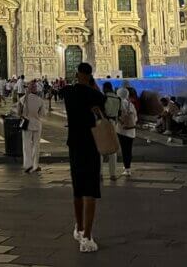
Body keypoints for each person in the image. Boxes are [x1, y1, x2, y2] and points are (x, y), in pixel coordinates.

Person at [60, 62, 106, 253]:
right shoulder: (95, 95)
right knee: (90, 191)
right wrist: (92, 85)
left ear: (77, 74)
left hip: (74, 144)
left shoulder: (68, 93)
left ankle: (79, 228)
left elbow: (69, 89)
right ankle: (87, 237)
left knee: (77, 189)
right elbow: (104, 106)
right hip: (91, 144)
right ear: (90, 76)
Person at [17, 80, 47, 173]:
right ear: (35, 89)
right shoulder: (40, 100)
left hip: (26, 124)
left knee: (26, 145)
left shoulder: (23, 99)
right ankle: (35, 165)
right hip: (37, 125)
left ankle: (27, 165)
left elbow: (18, 112)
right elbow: (42, 114)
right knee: (36, 145)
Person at [115, 87, 138, 177]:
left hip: (121, 130)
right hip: (131, 131)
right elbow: (135, 118)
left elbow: (116, 116)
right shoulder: (130, 104)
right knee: (128, 149)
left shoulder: (118, 103)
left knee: (124, 150)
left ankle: (127, 168)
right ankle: (128, 167)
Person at [101, 82, 122, 180]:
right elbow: (119, 113)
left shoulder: (103, 98)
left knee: (100, 149)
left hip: (103, 123)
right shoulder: (118, 99)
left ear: (104, 88)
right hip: (113, 123)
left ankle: (99, 173)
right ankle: (112, 174)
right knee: (113, 150)